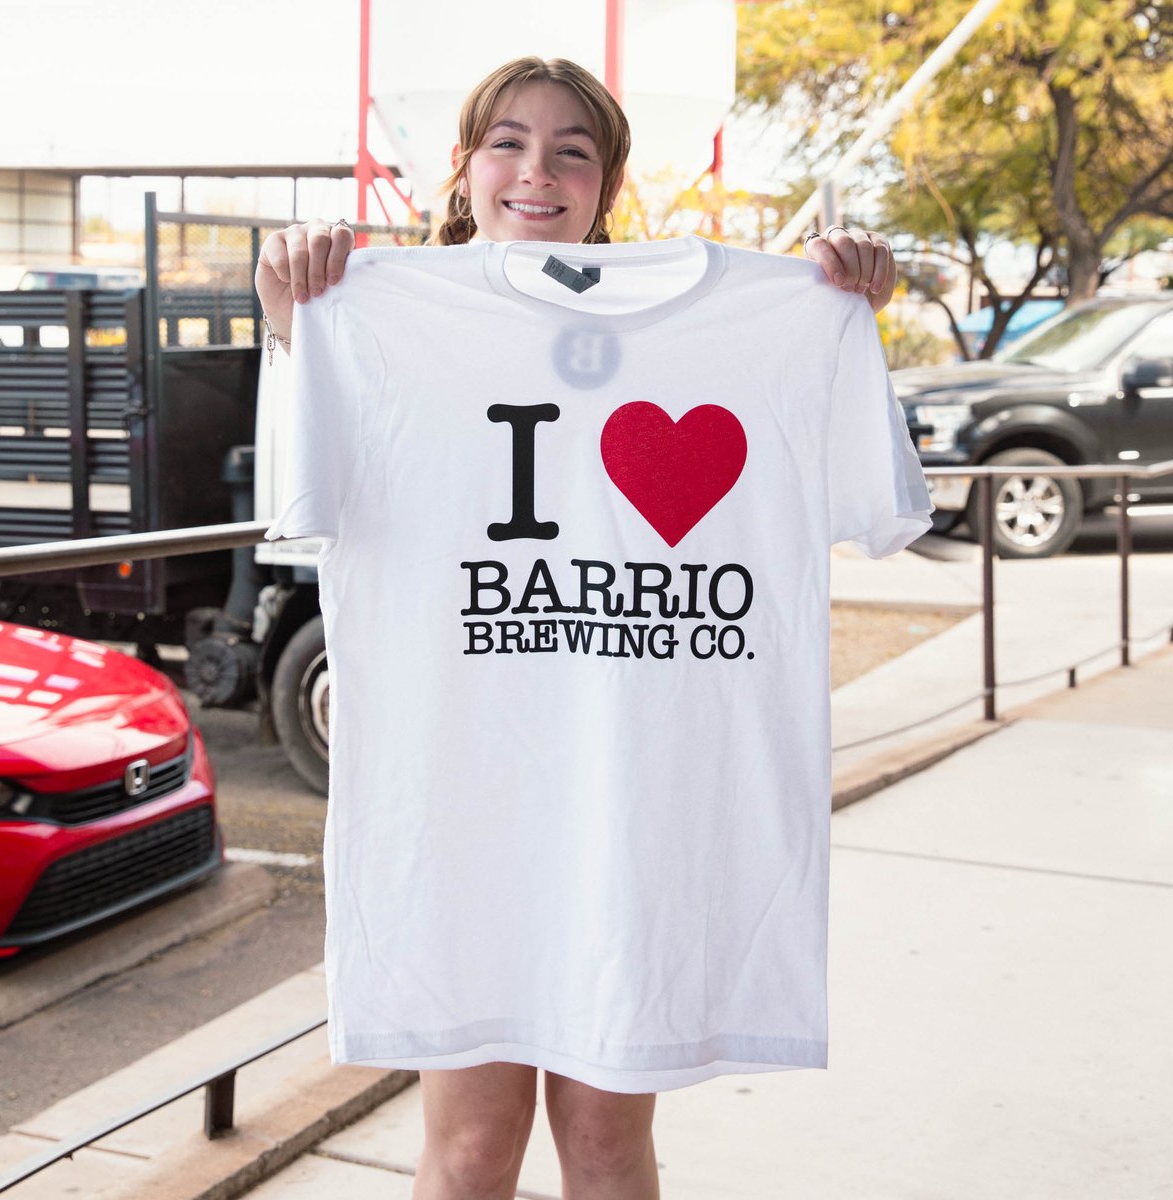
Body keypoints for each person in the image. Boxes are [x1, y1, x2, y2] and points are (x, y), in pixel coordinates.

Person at [256, 57, 905, 1200]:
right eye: (508, 142)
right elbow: (302, 508)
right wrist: (294, 323)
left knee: (608, 1147)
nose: (537, 171)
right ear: (463, 168)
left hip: (640, 817)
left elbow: (876, 502)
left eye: (573, 150)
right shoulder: (373, 309)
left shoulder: (763, 321)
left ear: (608, 183)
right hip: (467, 821)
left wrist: (845, 311)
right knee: (468, 1149)